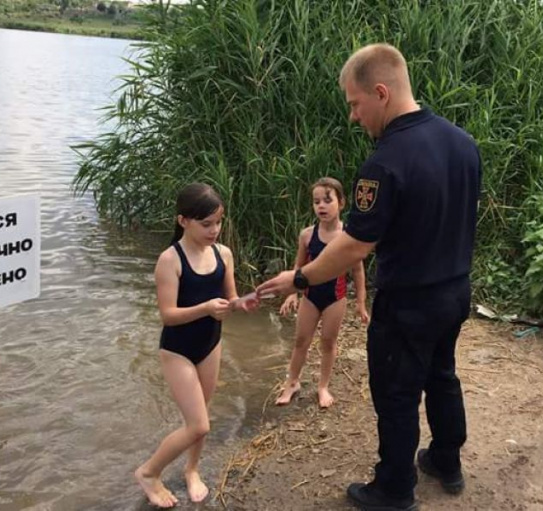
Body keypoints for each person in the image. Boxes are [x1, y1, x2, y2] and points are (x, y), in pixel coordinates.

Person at [258, 43, 481, 511]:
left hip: (409, 303)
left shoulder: (385, 160)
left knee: (396, 394)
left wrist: (300, 279)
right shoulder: (463, 143)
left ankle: (394, 488)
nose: (354, 117)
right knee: (442, 376)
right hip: (455, 291)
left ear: (381, 92)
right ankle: (446, 460)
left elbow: (356, 245)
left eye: (355, 104)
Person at [135, 183, 258, 508]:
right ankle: (148, 472)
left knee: (200, 423)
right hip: (178, 351)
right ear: (183, 221)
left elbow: (230, 299)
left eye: (218, 222)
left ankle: (191, 470)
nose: (214, 230)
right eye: (206, 224)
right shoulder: (169, 259)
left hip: (210, 345)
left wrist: (242, 303)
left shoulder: (223, 254)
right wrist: (205, 309)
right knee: (199, 424)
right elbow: (168, 315)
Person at [276, 177, 369, 409]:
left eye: (328, 200)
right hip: (309, 296)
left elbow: (358, 270)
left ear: (342, 203)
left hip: (335, 298)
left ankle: (323, 386)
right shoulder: (307, 235)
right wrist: (291, 294)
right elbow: (298, 267)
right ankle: (292, 382)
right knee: (300, 341)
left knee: (328, 342)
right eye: (316, 201)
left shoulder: (348, 237)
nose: (321, 206)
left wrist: (360, 302)